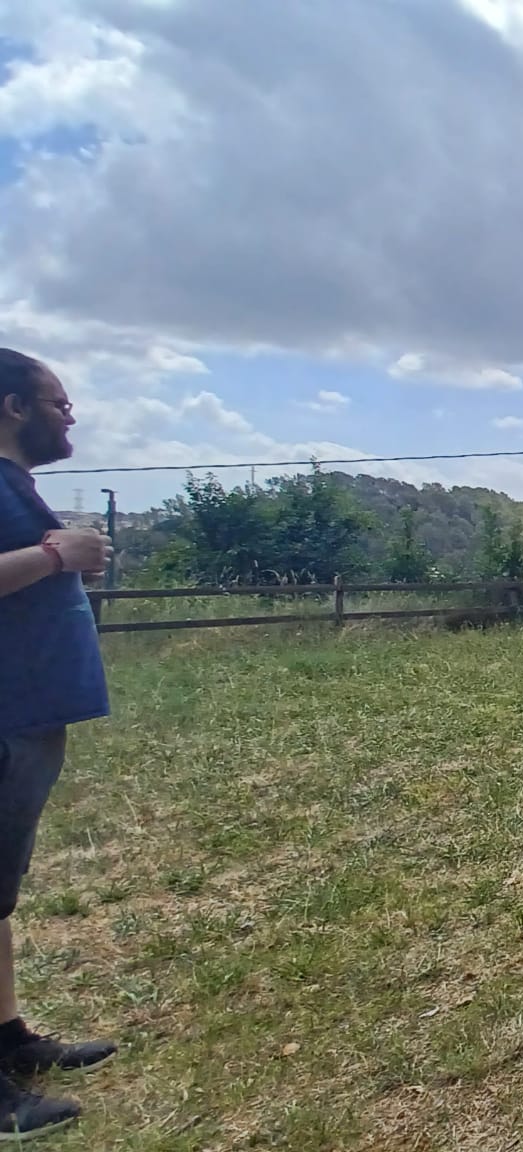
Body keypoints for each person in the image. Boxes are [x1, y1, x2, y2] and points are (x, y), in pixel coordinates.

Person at [0, 349, 120, 1137]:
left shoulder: (16, 485)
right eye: (58, 401)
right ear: (13, 406)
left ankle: (7, 1035)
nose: (69, 414)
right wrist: (54, 554)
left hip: (26, 717)